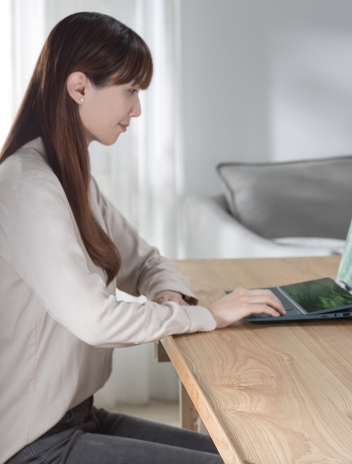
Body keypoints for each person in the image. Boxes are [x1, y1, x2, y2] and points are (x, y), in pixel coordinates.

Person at [0, 12, 285, 464]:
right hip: (34, 444)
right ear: (78, 88)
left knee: (250, 454)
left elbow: (145, 261)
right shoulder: (28, 186)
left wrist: (169, 294)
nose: (136, 109)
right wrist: (206, 316)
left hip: (77, 417)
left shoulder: (69, 178)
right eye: (130, 91)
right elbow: (96, 319)